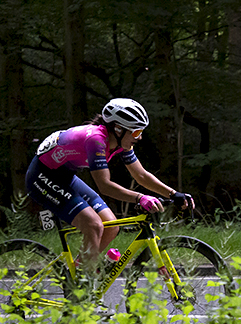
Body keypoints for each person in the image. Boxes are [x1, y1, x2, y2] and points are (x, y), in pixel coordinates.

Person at [26, 98, 194, 276]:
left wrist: (174, 194)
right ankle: (83, 289)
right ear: (118, 129)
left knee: (111, 225)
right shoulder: (96, 140)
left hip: (65, 175)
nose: (140, 137)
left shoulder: (121, 143)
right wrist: (140, 198)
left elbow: (141, 175)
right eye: (136, 132)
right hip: (42, 176)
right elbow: (104, 186)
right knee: (93, 225)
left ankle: (78, 273)